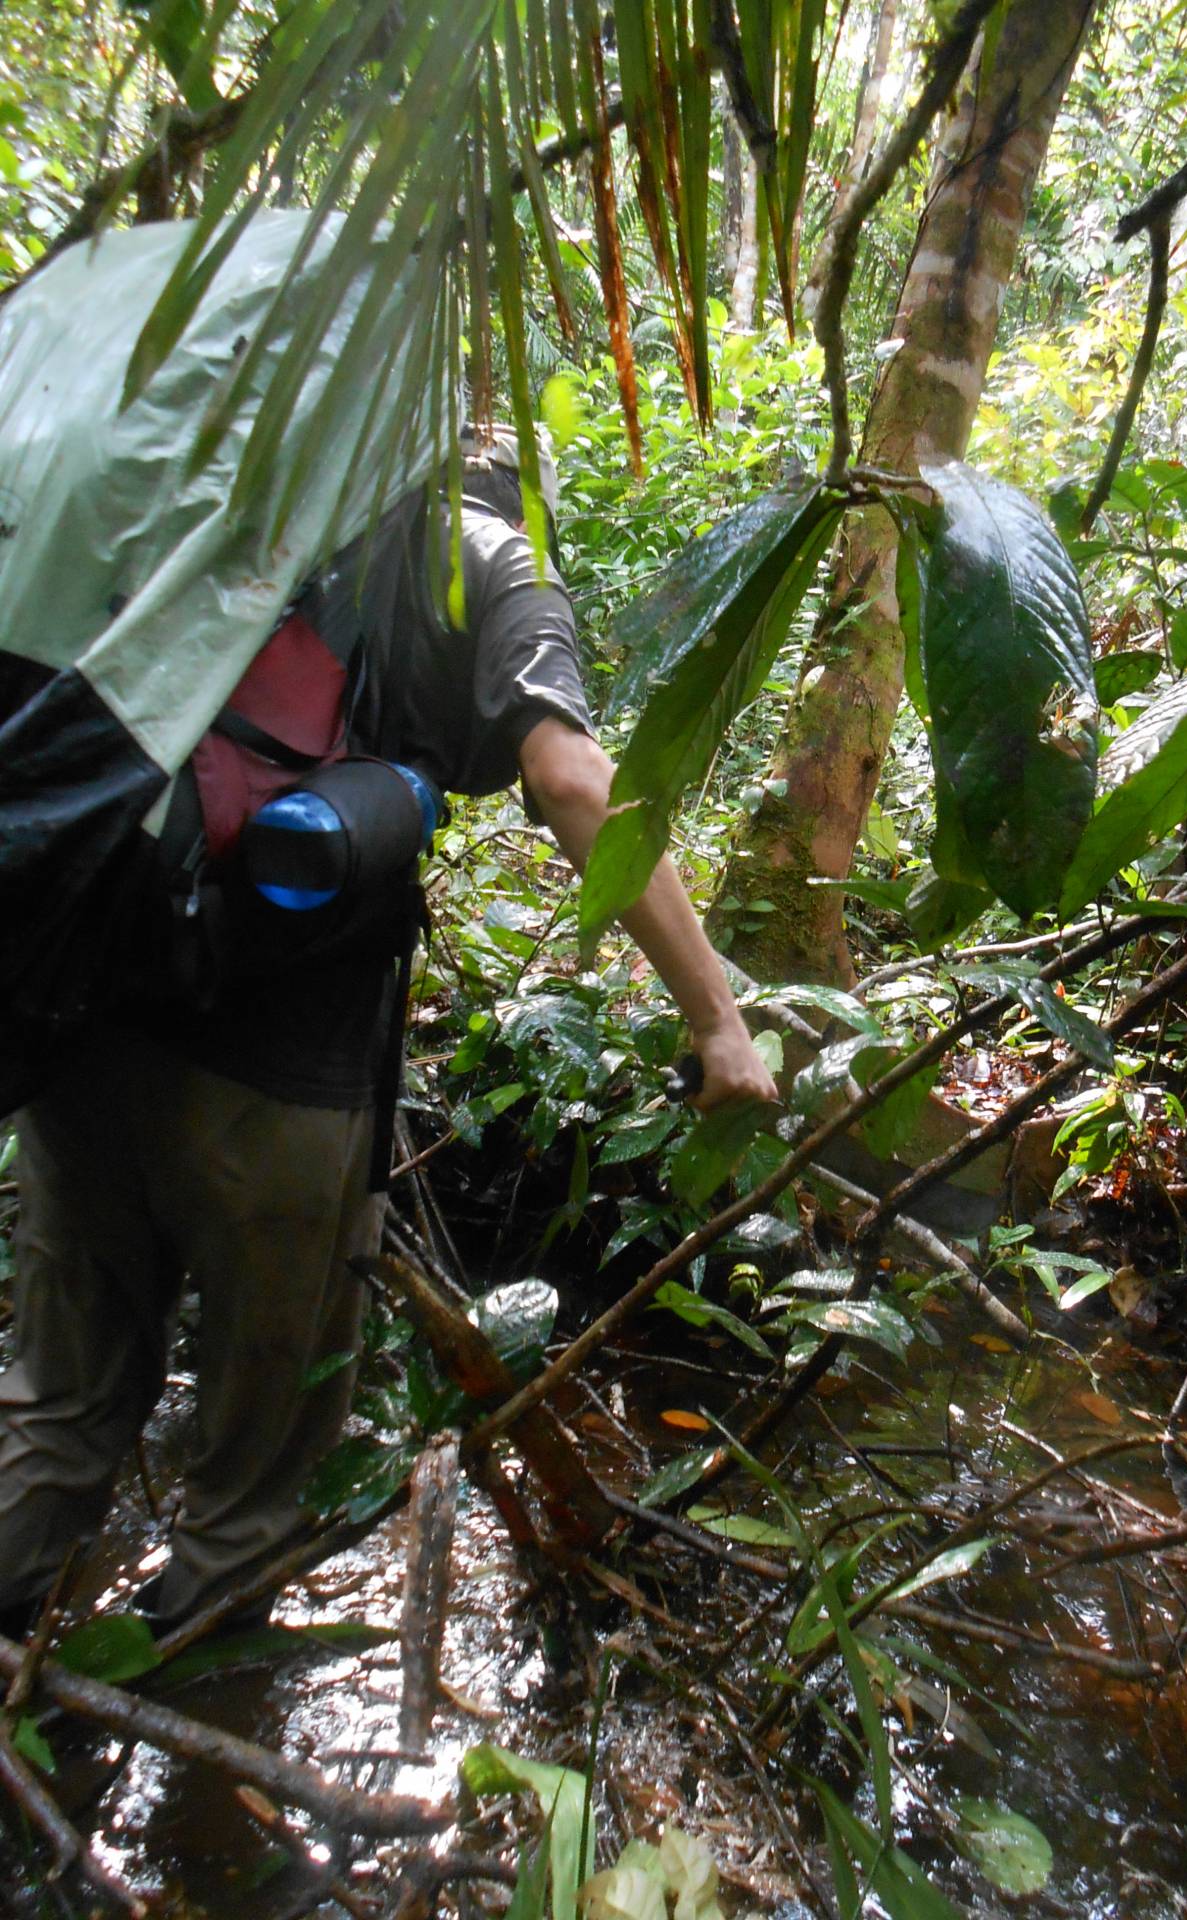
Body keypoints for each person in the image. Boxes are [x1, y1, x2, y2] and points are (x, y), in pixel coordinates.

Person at [0, 432, 777, 1638]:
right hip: (279, 1085)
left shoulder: (227, 513)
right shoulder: (485, 559)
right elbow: (571, 778)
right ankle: (198, 1737)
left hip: (84, 1026)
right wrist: (717, 1019)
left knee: (56, 1407)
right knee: (249, 1489)